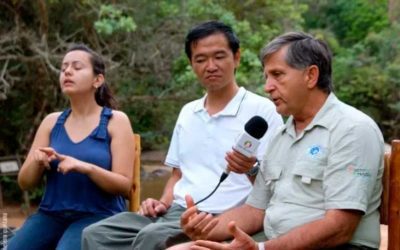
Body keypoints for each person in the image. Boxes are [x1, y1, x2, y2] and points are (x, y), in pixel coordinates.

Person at [172, 32, 384, 250]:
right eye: (266, 77)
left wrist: (262, 249)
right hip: (272, 241)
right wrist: (204, 228)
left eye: (277, 75)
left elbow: (340, 227)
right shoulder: (281, 135)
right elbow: (255, 210)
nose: (267, 87)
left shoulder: (352, 129)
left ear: (310, 76)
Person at [81, 21, 283, 250]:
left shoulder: (263, 111)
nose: (211, 66)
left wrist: (249, 167)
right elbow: (177, 175)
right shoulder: (188, 112)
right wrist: (161, 203)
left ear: (236, 57)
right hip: (176, 212)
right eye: (200, 59)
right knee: (97, 233)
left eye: (219, 56)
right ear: (191, 64)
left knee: (152, 237)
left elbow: (272, 184)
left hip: (227, 213)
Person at [7, 44, 134, 250]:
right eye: (64, 67)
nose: (67, 71)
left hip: (99, 216)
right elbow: (25, 182)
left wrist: (85, 167)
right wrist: (38, 163)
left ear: (97, 80)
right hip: (51, 215)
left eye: (77, 67)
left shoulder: (116, 121)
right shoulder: (51, 122)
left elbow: (124, 185)